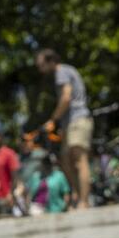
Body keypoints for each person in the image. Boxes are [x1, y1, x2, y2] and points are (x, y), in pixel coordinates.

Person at [34, 49, 92, 210]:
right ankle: (78, 195)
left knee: (79, 159)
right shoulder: (65, 71)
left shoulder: (61, 72)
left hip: (78, 119)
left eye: (41, 65)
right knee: (65, 160)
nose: (40, 69)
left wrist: (53, 120)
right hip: (69, 123)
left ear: (51, 61)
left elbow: (66, 97)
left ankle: (84, 201)